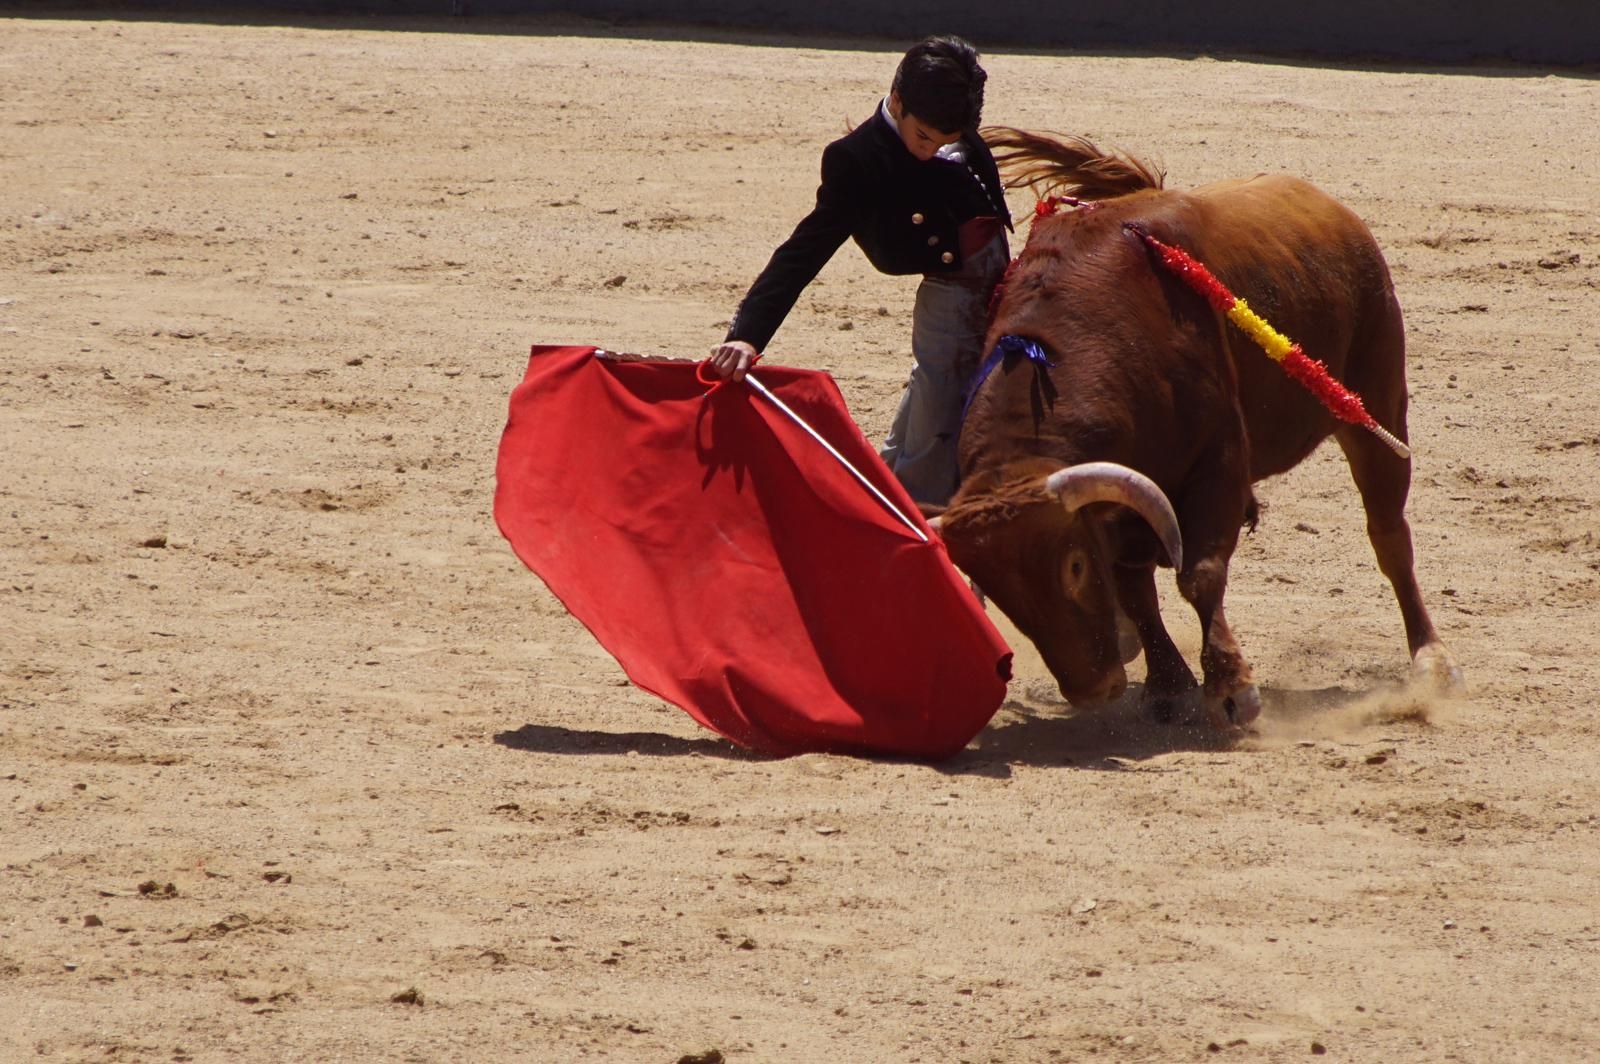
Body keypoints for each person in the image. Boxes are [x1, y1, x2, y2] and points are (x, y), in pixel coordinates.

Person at [705, 35, 1012, 506]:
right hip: (950, 279)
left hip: (993, 266)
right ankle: (916, 519)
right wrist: (748, 333)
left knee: (935, 392)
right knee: (941, 395)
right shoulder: (857, 159)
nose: (931, 151)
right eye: (923, 138)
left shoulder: (949, 107)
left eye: (946, 142)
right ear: (896, 102)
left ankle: (887, 499)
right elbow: (803, 252)